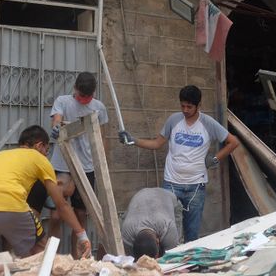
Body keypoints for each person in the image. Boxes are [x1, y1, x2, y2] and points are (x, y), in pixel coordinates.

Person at [118, 85, 239, 242]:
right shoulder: (174, 120)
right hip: (171, 185)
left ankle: (188, 265)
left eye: (189, 106)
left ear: (198, 106)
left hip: (196, 186)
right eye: (183, 106)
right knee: (166, 231)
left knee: (192, 234)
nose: (185, 110)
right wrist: (133, 140)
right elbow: (157, 144)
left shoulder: (208, 123)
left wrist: (215, 158)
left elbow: (233, 142)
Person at [0, 125, 90, 262]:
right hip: (9, 203)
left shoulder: (0, 156)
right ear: (39, 145)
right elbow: (61, 204)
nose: (46, 155)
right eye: (46, 151)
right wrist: (81, 235)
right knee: (42, 255)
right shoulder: (38, 158)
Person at [48, 72, 108, 257]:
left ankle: (77, 259)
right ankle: (53, 258)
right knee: (56, 215)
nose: (83, 100)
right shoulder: (63, 101)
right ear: (75, 89)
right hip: (62, 165)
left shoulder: (98, 108)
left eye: (87, 97)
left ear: (94, 93)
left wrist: (101, 163)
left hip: (87, 167)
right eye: (81, 96)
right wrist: (56, 126)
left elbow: (102, 136)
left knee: (81, 215)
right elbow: (56, 118)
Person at [121, 187, 183, 259]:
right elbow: (131, 259)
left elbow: (172, 255)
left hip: (166, 196)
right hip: (141, 195)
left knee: (176, 247)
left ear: (158, 241)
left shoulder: (167, 227)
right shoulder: (126, 235)